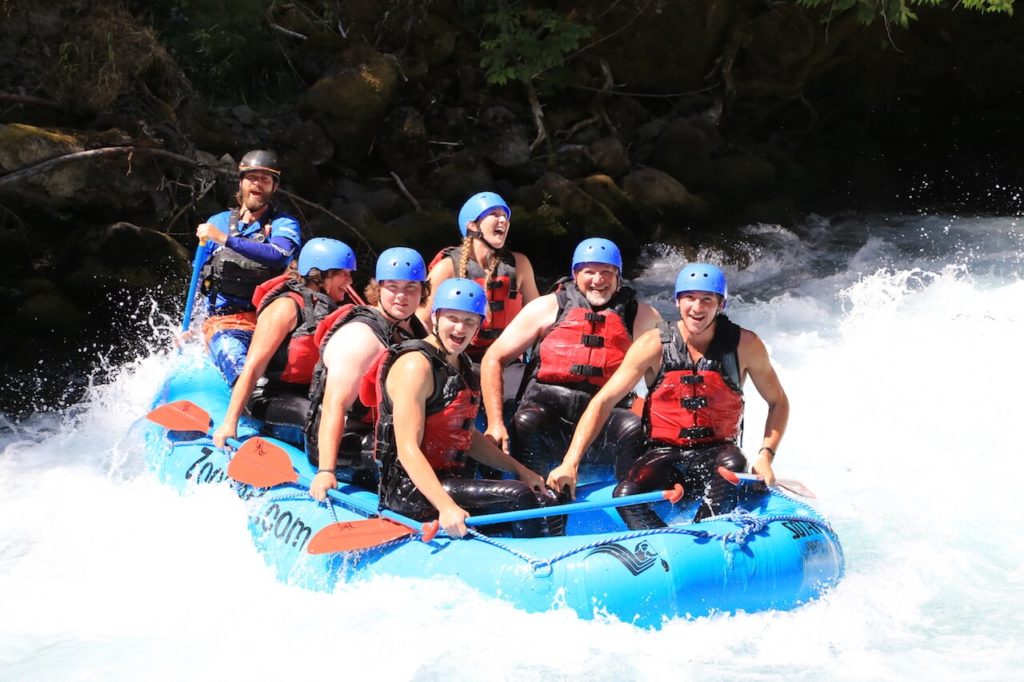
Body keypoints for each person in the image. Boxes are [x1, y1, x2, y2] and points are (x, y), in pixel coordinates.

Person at [559, 263, 790, 527]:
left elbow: (778, 402)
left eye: (707, 300)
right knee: (625, 495)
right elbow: (603, 401)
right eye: (689, 298)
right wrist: (570, 462)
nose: (697, 308)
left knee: (733, 463)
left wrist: (766, 455)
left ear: (721, 305)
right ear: (677, 301)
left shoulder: (745, 345)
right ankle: (665, 547)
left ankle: (707, 533)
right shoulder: (651, 345)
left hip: (716, 454)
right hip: (663, 455)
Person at [374, 278, 560, 538]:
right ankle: (538, 567)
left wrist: (520, 470)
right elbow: (407, 449)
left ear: (479, 327)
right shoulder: (415, 366)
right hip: (409, 491)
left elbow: (466, 437)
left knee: (544, 501)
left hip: (449, 482)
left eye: (470, 321)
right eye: (452, 318)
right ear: (436, 317)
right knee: (518, 496)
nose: (460, 328)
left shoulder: (461, 365)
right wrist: (446, 507)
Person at [480, 237, 662, 498]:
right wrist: (496, 423)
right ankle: (538, 500)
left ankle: (630, 502)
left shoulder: (642, 316)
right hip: (548, 420)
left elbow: (666, 378)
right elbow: (493, 358)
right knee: (525, 420)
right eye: (589, 272)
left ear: (618, 277)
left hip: (602, 427)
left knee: (633, 427)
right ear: (575, 275)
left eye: (606, 272)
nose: (598, 280)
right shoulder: (547, 307)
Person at [306, 247, 430, 500]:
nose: (401, 296)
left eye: (411, 288)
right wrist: (326, 470)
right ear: (379, 289)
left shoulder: (415, 329)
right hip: (344, 440)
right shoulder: (360, 338)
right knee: (398, 454)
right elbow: (334, 406)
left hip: (385, 431)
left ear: (423, 292)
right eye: (392, 287)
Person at [212, 238, 356, 449]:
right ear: (319, 273)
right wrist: (229, 423)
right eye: (344, 273)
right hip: (267, 397)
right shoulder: (285, 307)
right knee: (320, 419)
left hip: (305, 395)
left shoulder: (329, 310)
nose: (350, 280)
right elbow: (252, 367)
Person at [196, 150, 302, 386]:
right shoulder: (217, 222)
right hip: (222, 322)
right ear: (241, 182)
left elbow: (278, 255)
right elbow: (199, 281)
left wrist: (226, 240)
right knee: (234, 361)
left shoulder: (283, 224)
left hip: (267, 325)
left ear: (274, 187)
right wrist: (190, 328)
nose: (258, 184)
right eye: (252, 177)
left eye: (265, 180)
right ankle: (245, 394)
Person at [419, 191, 540, 362]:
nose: (503, 220)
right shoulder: (446, 268)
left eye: (505, 216)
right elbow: (422, 321)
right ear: (472, 226)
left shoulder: (520, 264)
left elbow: (538, 317)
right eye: (494, 214)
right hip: (460, 358)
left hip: (506, 360)